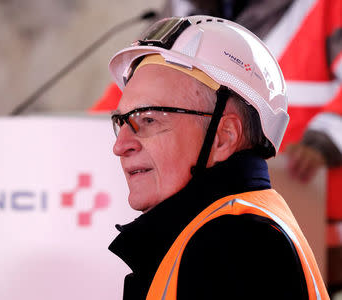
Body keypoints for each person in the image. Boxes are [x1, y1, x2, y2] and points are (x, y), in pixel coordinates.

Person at [107, 15, 329, 299]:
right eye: (122, 121)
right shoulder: (225, 233)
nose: (121, 145)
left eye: (148, 119)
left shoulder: (235, 246)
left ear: (224, 136)